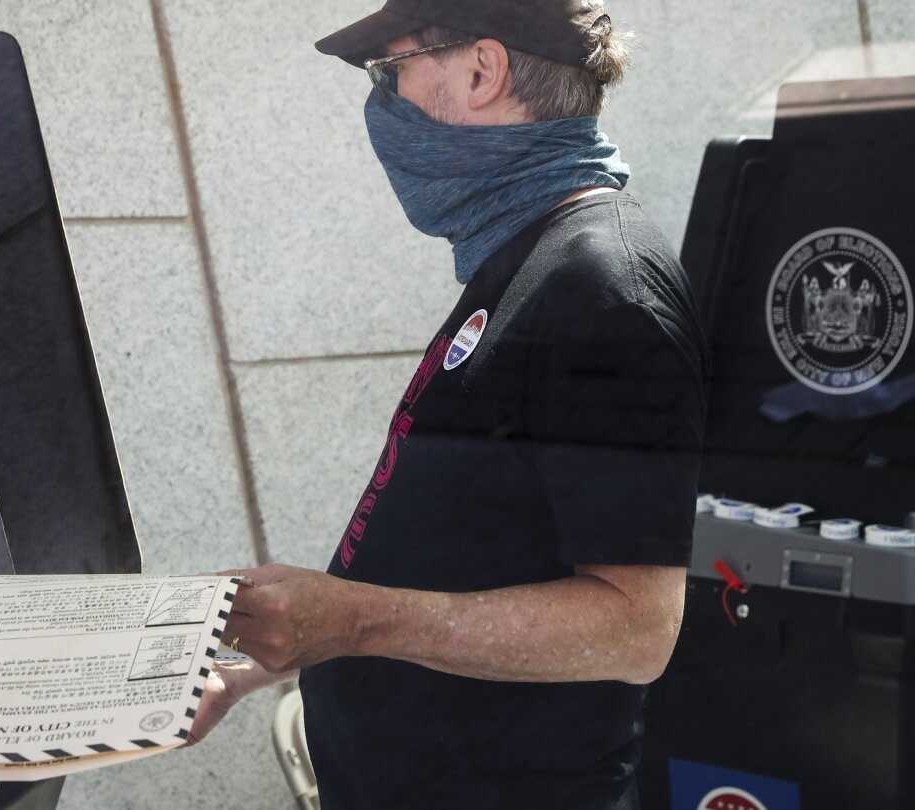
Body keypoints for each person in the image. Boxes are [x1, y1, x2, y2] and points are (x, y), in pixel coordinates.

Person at [190, 2, 708, 808]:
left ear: (481, 70)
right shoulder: (530, 258)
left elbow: (635, 628)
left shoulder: (605, 288)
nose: (382, 104)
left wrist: (352, 621)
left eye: (390, 72)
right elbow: (467, 553)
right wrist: (262, 662)